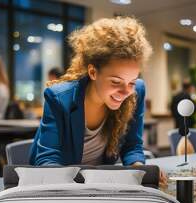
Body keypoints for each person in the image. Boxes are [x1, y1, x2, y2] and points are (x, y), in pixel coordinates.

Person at [29, 17, 166, 184]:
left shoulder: (136, 92)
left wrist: (139, 169)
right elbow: (48, 159)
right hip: (62, 186)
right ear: (93, 72)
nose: (125, 92)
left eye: (131, 81)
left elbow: (132, 146)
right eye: (116, 82)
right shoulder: (58, 98)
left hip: (101, 185)